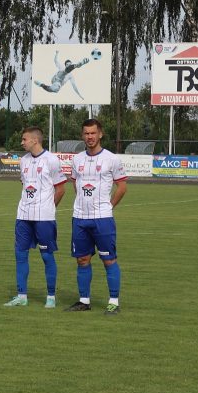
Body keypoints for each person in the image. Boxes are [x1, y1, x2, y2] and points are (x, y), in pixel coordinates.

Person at [65, 118, 128, 315]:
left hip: (102, 219)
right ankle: (84, 300)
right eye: (86, 133)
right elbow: (75, 183)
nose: (90, 137)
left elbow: (122, 187)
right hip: (80, 218)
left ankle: (114, 302)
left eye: (93, 133)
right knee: (82, 259)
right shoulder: (77, 159)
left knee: (108, 260)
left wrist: (109, 206)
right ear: (82, 135)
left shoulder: (111, 159)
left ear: (100, 134)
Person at [4, 126, 66, 309]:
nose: (22, 142)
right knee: (20, 255)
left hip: (44, 218)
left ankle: (51, 297)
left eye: (24, 139)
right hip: (23, 215)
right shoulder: (23, 160)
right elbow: (25, 185)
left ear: (35, 140)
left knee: (46, 256)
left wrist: (48, 208)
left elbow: (61, 189)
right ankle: (21, 296)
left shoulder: (51, 160)